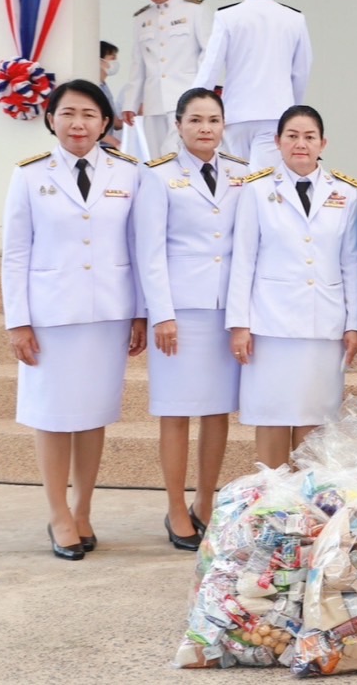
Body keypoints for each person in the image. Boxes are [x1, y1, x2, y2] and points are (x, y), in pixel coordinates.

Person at [1, 80, 146, 560]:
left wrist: (141, 313)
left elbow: (138, 245)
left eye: (89, 114)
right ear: (51, 119)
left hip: (108, 311)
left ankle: (83, 509)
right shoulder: (29, 175)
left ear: (106, 122)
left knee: (92, 415)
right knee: (52, 416)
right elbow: (15, 253)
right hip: (51, 315)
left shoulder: (128, 173)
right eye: (67, 113)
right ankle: (57, 512)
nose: (78, 123)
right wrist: (18, 320)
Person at [134, 88, 248, 550]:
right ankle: (176, 506)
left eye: (214, 120)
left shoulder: (242, 174)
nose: (206, 128)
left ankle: (205, 500)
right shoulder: (158, 175)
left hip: (226, 309)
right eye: (196, 120)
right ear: (178, 125)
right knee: (176, 411)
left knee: (218, 410)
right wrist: (161, 313)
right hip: (179, 311)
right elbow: (150, 249)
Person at [228, 105, 357, 469]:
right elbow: (243, 259)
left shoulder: (345, 193)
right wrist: (239, 324)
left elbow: (350, 262)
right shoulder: (256, 190)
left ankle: (306, 509)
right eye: (292, 136)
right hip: (270, 326)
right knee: (272, 415)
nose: (300, 144)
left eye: (309, 137)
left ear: (323, 143)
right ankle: (273, 504)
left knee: (315, 418)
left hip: (324, 323)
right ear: (277, 142)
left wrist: (354, 324)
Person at [193, 0, 312, 171]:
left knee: (235, 183)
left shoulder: (227, 16)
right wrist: (292, 110)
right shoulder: (294, 18)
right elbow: (301, 72)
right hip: (276, 114)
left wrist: (193, 110)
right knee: (266, 183)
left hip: (236, 113)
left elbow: (210, 67)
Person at [121, 0, 212, 159]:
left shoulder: (194, 9)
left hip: (185, 96)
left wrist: (201, 92)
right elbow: (138, 63)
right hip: (154, 100)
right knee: (156, 158)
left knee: (179, 153)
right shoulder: (141, 18)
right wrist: (131, 102)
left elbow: (208, 54)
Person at [98, 41, 123, 150]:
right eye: (112, 58)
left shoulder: (104, 86)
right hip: (98, 147)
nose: (115, 62)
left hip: (108, 146)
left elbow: (116, 123)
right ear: (99, 60)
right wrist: (115, 142)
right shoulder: (94, 87)